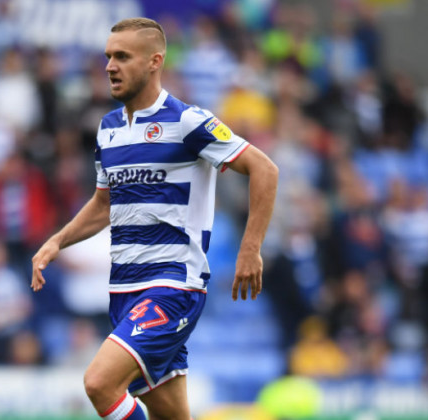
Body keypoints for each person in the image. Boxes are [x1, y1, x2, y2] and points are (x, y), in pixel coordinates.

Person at [31, 17, 279, 420]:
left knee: (99, 384)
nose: (110, 66)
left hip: (171, 286)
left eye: (123, 57)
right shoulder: (108, 129)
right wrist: (57, 240)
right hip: (124, 290)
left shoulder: (188, 121)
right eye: (108, 56)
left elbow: (265, 169)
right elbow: (103, 204)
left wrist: (251, 249)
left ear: (154, 62)